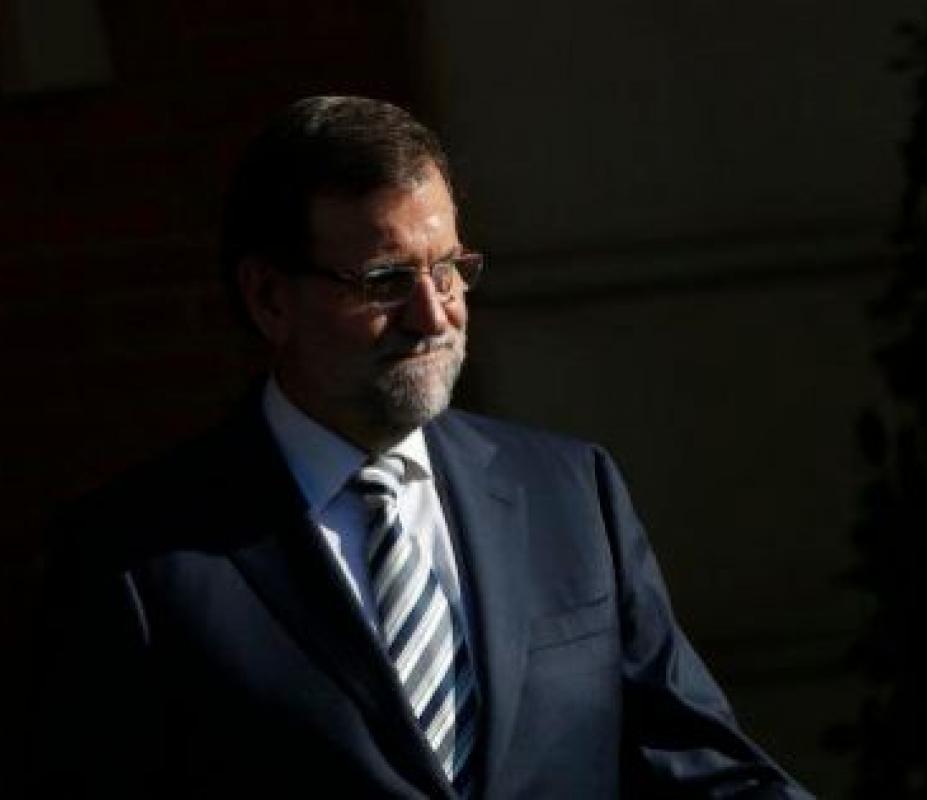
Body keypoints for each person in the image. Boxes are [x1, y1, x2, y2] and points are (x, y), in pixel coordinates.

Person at [31, 96, 812, 799]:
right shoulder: (133, 560)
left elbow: (696, 763)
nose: (434, 316)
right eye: (385, 281)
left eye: (448, 271)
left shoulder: (571, 491)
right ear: (269, 297)